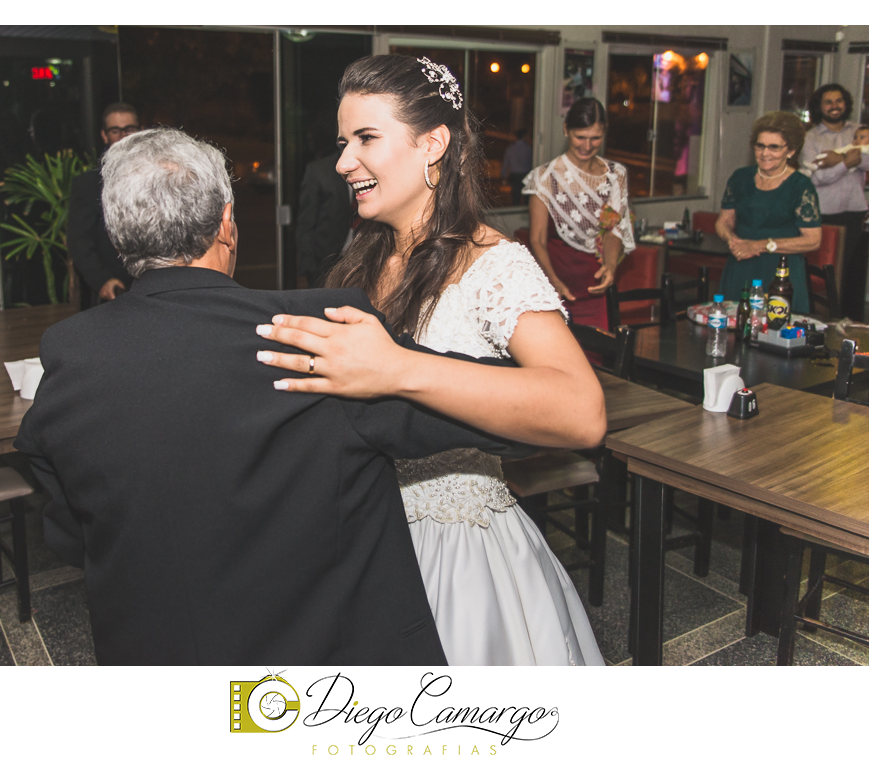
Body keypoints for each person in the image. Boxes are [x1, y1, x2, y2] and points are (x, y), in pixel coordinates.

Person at [14, 127, 535, 665]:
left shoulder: (71, 355)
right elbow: (505, 422)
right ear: (226, 225)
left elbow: (70, 531)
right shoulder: (314, 334)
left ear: (119, 237)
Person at [257, 55, 607, 665]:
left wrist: (400, 368)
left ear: (433, 145)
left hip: (459, 557)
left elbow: (581, 413)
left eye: (366, 138)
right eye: (343, 143)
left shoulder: (495, 263)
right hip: (364, 539)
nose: (344, 162)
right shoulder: (360, 262)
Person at [523, 98, 635, 329]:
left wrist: (611, 266)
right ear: (566, 129)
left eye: (595, 138)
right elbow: (538, 240)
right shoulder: (544, 177)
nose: (587, 145)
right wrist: (554, 282)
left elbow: (612, 228)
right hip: (555, 282)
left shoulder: (616, 175)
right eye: (580, 137)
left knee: (596, 356)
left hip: (595, 286)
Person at [716, 111, 821, 313]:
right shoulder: (740, 178)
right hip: (741, 263)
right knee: (734, 329)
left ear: (790, 150)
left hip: (781, 271)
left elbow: (813, 240)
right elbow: (723, 221)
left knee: (777, 333)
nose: (765, 153)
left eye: (774, 147)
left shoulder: (801, 186)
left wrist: (762, 245)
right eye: (760, 145)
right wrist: (732, 239)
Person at [799, 84, 869, 320]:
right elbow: (817, 177)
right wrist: (848, 162)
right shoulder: (810, 137)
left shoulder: (859, 131)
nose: (834, 106)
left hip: (855, 211)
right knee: (825, 274)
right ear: (819, 107)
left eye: (838, 100)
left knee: (854, 274)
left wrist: (836, 159)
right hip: (823, 214)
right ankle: (824, 320)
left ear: (846, 103)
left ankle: (853, 325)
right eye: (828, 102)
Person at [67, 103, 140, 306]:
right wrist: (102, 280)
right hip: (113, 294)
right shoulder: (88, 184)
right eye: (115, 130)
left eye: (130, 129)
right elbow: (79, 241)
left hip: (153, 286)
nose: (123, 136)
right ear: (104, 135)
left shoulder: (157, 177)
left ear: (140, 131)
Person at [295, 148, 354, 287]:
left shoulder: (373, 167)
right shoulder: (319, 170)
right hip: (325, 262)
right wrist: (309, 266)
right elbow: (306, 222)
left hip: (363, 260)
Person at [500, 128, 533, 206]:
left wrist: (503, 175)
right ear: (524, 136)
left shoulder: (510, 149)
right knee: (526, 198)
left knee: (515, 197)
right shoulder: (528, 149)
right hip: (526, 174)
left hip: (514, 175)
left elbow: (506, 163)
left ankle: (515, 211)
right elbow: (532, 162)